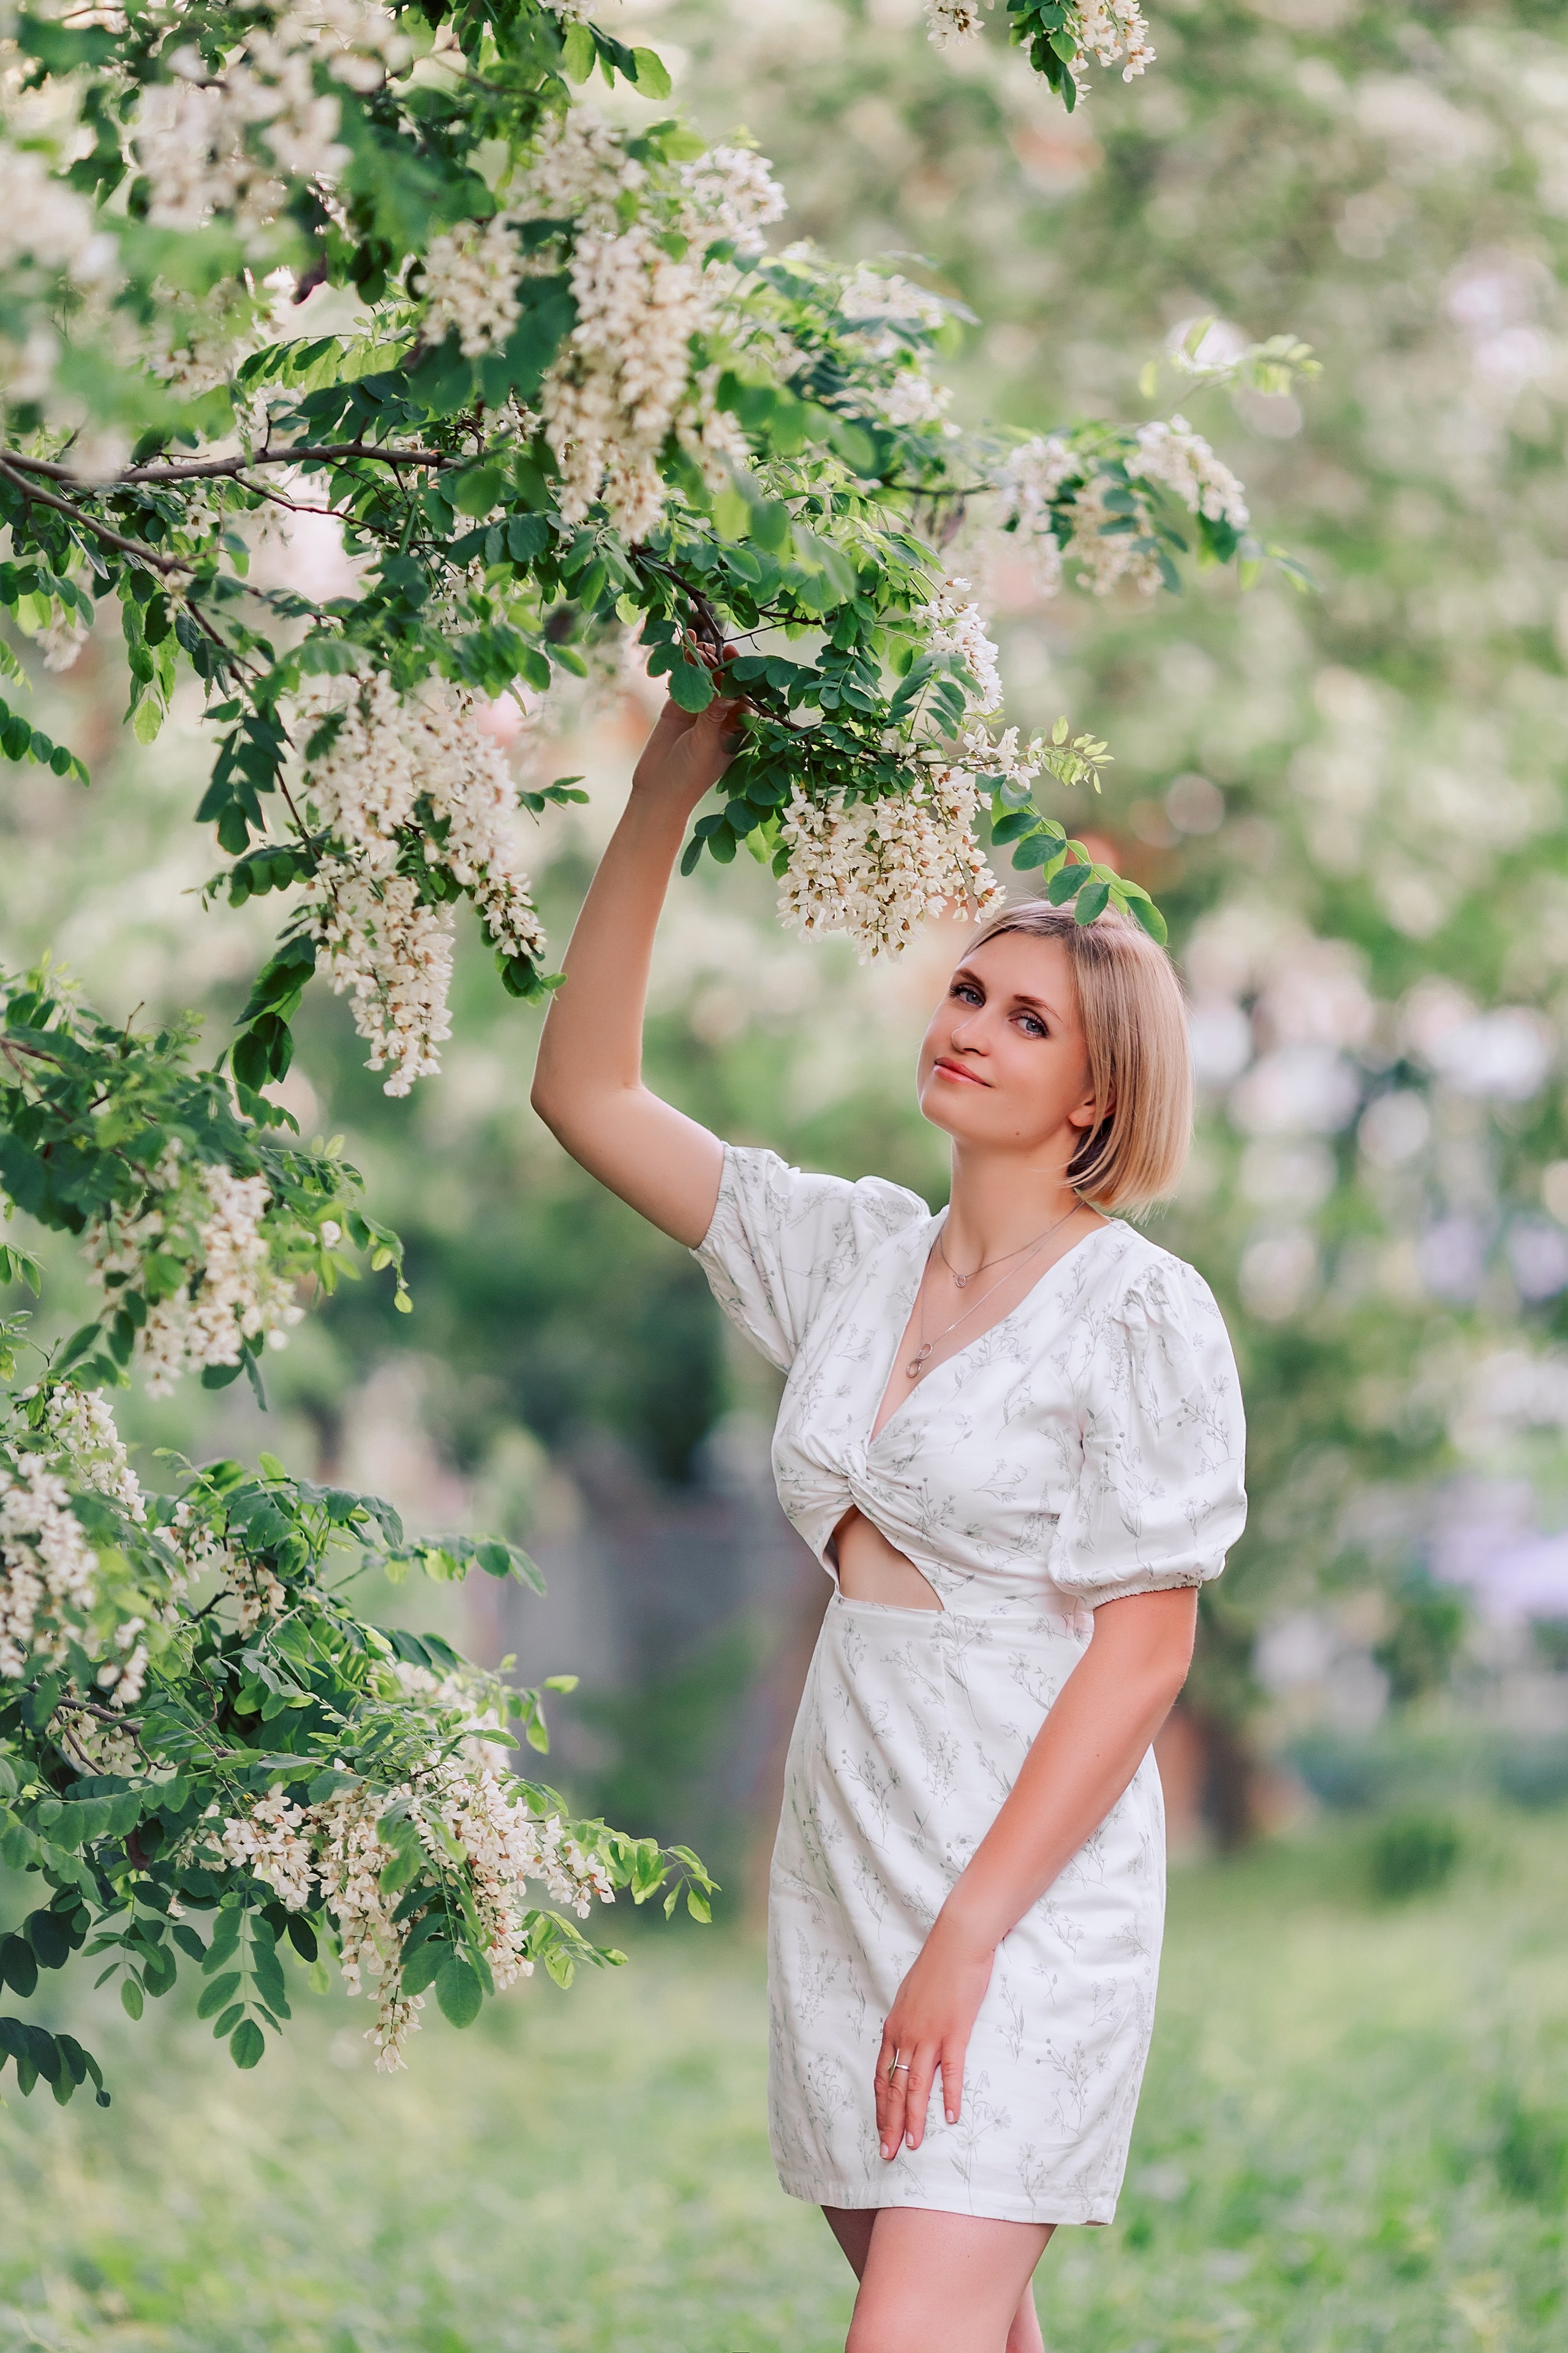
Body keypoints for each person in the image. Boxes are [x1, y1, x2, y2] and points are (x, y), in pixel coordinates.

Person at [530, 687, 1248, 2353]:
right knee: (962, 2328)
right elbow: (586, 1091)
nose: (972, 1025)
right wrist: (660, 796)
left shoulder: (1144, 1315)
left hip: (1023, 1879)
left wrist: (971, 1936)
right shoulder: (845, 1255)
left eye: (1028, 1021)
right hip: (852, 1845)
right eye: (969, 990)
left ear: (1095, 1096)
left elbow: (1143, 1660)